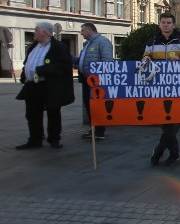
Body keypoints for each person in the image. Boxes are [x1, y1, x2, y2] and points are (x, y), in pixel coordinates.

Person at [143, 12, 180, 167]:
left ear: (174, 25)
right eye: (163, 22)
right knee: (165, 121)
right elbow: (145, 59)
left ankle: (158, 151)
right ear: (159, 24)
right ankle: (174, 154)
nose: (166, 25)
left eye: (168, 23)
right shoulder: (152, 40)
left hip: (179, 86)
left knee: (175, 120)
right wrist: (146, 59)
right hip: (159, 87)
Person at [15, 21, 75, 149]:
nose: (34, 32)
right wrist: (24, 75)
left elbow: (63, 67)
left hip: (50, 86)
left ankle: (54, 139)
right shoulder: (34, 46)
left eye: (36, 30)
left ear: (45, 32)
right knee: (32, 113)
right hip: (32, 85)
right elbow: (28, 63)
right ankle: (35, 139)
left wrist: (42, 70)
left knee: (53, 113)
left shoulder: (58, 47)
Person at [75, 23, 113, 140]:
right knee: (89, 106)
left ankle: (99, 130)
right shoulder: (88, 44)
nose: (81, 33)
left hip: (96, 82)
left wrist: (100, 77)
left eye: (82, 30)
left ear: (89, 30)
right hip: (87, 80)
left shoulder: (102, 42)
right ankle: (94, 129)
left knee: (96, 106)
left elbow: (107, 61)